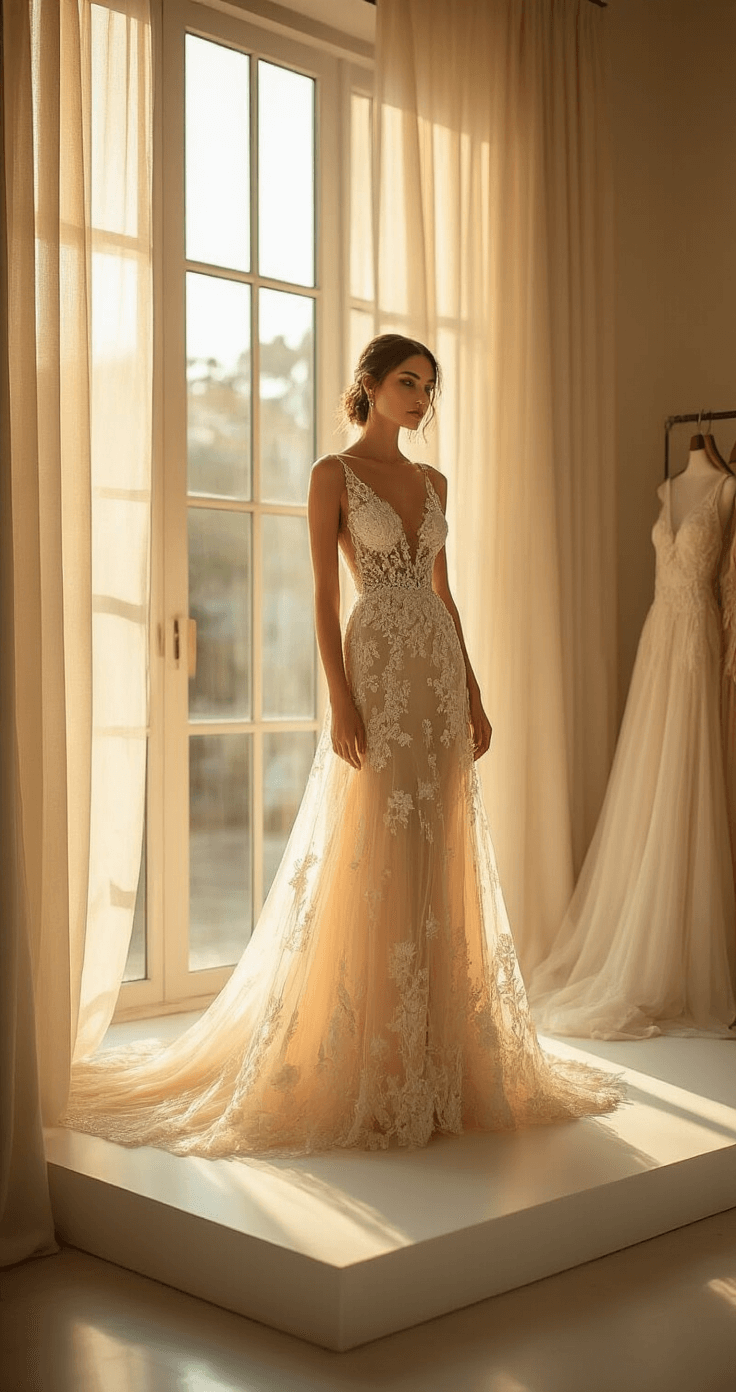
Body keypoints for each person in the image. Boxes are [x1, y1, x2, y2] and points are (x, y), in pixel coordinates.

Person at [63, 334, 622, 1156]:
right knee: (380, 838)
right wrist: (341, 700)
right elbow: (325, 600)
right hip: (378, 668)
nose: (421, 399)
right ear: (369, 384)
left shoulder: (433, 481)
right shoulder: (333, 475)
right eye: (407, 382)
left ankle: (440, 1048)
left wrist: (472, 689)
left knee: (442, 841)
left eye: (429, 387)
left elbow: (443, 591)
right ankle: (377, 1048)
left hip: (433, 665)